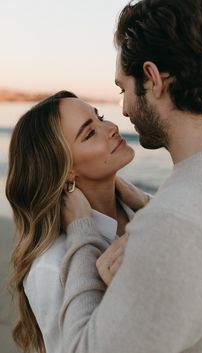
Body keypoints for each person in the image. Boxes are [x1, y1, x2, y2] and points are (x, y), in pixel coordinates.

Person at [59, 0, 202, 353]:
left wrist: (81, 234)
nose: (122, 110)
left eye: (124, 88)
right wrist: (150, 206)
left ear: (153, 79)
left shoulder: (175, 227)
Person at [5, 90, 150, 353]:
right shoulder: (51, 267)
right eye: (89, 133)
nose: (112, 127)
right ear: (67, 168)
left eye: (100, 117)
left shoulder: (143, 214)